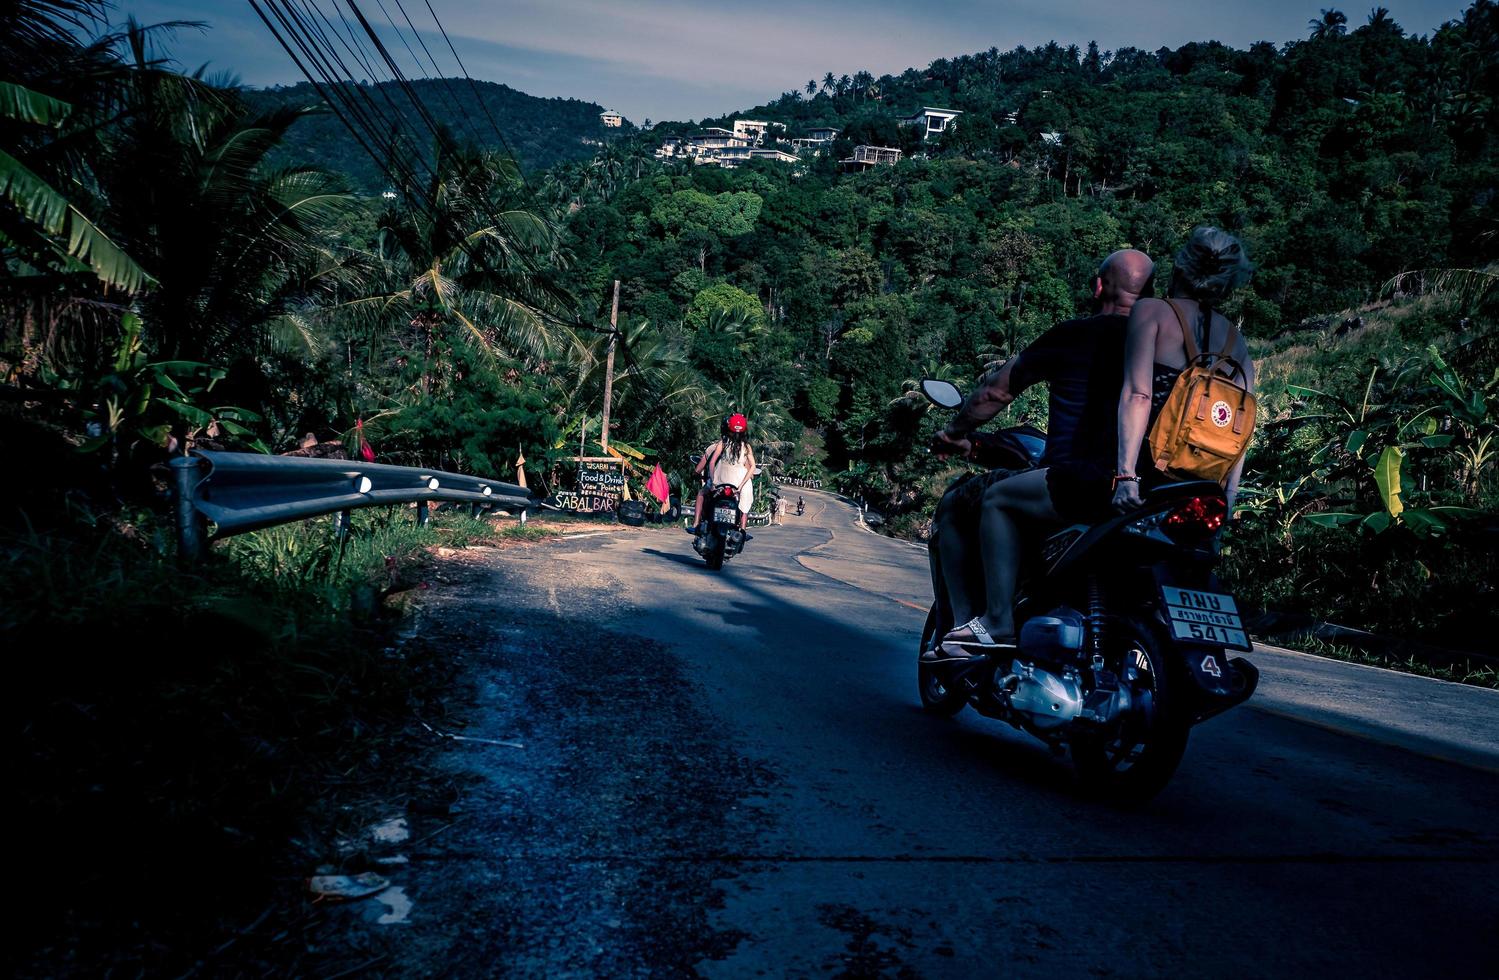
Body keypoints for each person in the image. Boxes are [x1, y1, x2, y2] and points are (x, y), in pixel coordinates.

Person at [929, 249, 1155, 660]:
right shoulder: (1166, 346)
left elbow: (995, 391)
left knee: (967, 501)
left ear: (1099, 286)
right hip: (1148, 486)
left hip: (1080, 480)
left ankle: (984, 624)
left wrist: (954, 432)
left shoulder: (1075, 335)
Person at [1113, 227, 1255, 513]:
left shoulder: (1151, 311)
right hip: (1201, 484)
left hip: (1147, 469)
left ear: (1180, 264)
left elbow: (1138, 395)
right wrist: (1229, 496)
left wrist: (1126, 476)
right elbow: (1243, 428)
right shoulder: (1235, 340)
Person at [688, 413, 757, 537]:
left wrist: (711, 479)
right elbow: (751, 469)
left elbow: (705, 465)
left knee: (701, 493)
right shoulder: (746, 447)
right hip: (738, 484)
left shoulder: (715, 446)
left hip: (719, 481)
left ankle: (696, 524)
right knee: (744, 503)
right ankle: (742, 529)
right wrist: (741, 485)